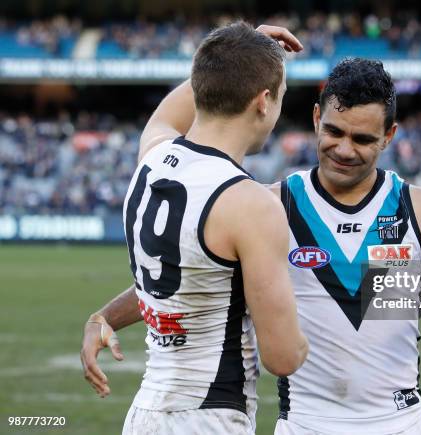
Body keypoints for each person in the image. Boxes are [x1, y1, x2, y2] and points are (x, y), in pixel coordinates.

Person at [82, 57, 421, 434]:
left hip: (403, 423)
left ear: (389, 137)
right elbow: (186, 279)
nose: (344, 149)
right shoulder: (268, 205)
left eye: (364, 139)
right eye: (334, 132)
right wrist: (105, 315)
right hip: (305, 423)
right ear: (315, 119)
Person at [81, 22, 309, 435]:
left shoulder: (153, 154)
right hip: (209, 415)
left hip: (146, 411)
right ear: (263, 101)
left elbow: (168, 114)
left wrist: (240, 52)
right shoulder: (250, 203)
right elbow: (283, 357)